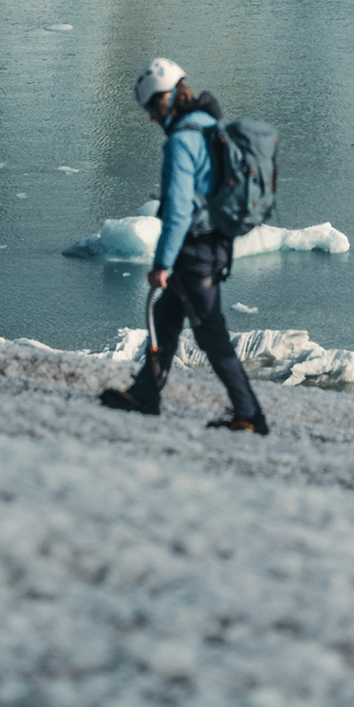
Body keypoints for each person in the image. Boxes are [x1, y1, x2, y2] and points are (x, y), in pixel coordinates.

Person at [98, 59, 269, 434]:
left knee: (211, 334)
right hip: (215, 244)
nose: (150, 119)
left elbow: (177, 210)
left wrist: (162, 262)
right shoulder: (210, 126)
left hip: (196, 251)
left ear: (163, 102)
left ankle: (250, 414)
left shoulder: (180, 142)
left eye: (151, 110)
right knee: (166, 319)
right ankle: (146, 394)